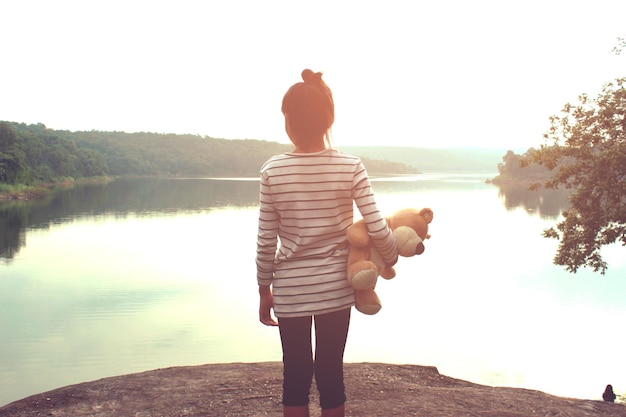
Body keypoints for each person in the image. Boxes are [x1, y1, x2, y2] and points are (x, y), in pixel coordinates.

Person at [256, 69, 398, 417]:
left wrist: (264, 290)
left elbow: (265, 240)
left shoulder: (273, 170)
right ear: (329, 118)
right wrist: (391, 256)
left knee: (296, 375)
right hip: (336, 286)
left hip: (290, 289)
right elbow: (377, 226)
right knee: (331, 371)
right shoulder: (350, 166)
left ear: (287, 120)